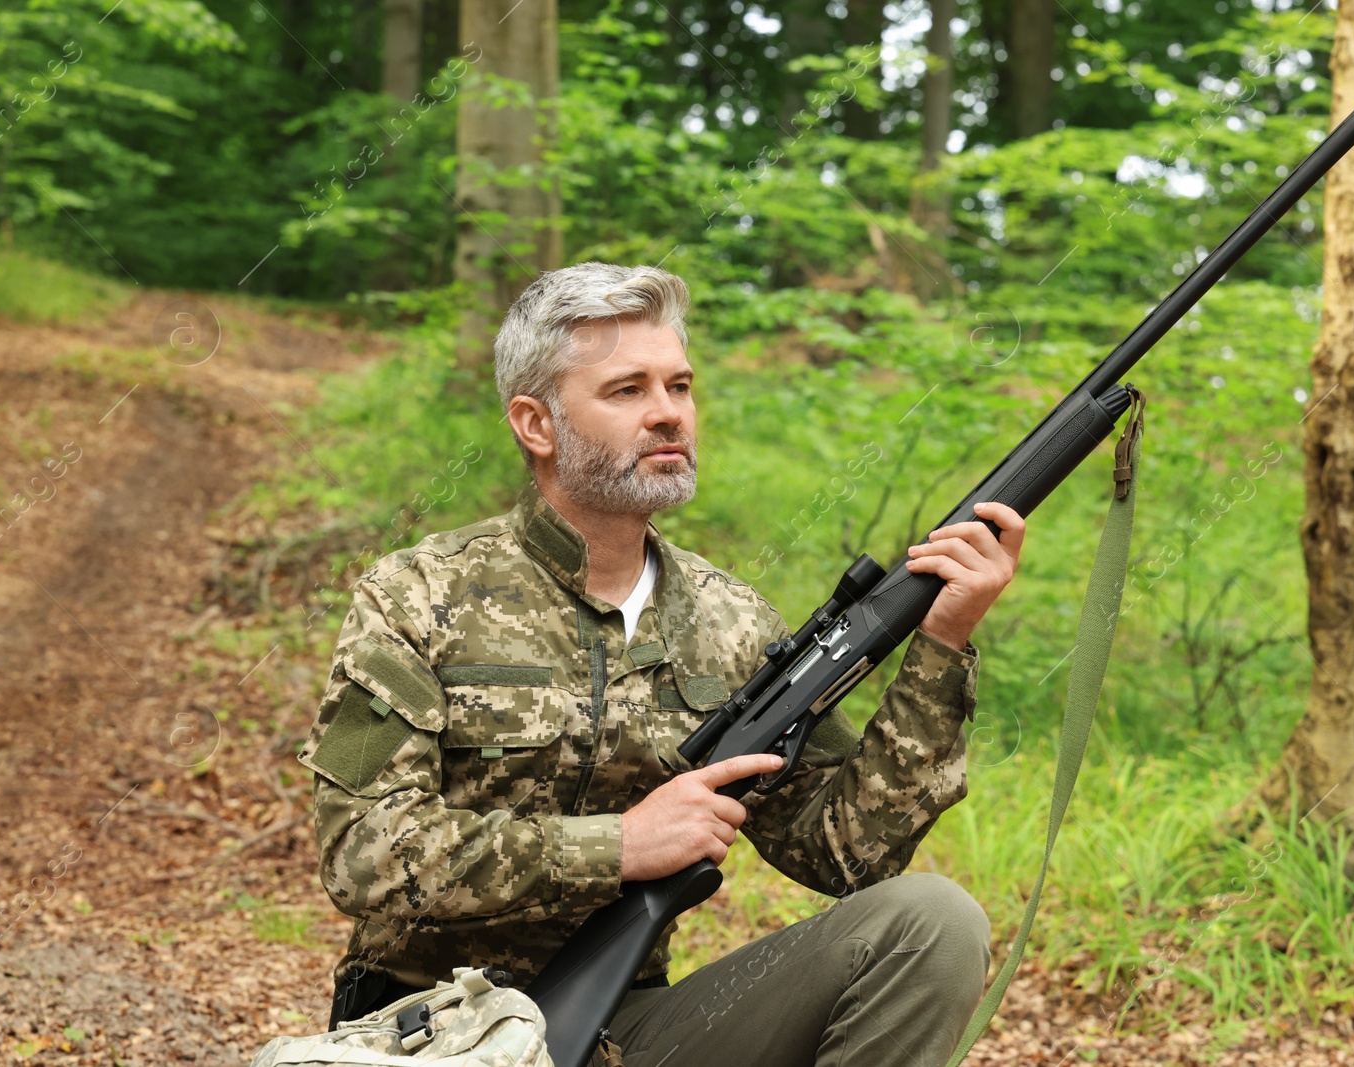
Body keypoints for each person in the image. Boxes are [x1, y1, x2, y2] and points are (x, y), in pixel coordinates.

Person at [300, 262, 1028, 1066]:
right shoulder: (416, 595)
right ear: (535, 424)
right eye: (627, 391)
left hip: (628, 1029)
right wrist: (618, 844)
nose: (667, 414)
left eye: (679, 387)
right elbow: (362, 853)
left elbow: (844, 853)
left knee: (932, 920)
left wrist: (942, 642)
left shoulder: (733, 621)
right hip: (431, 1032)